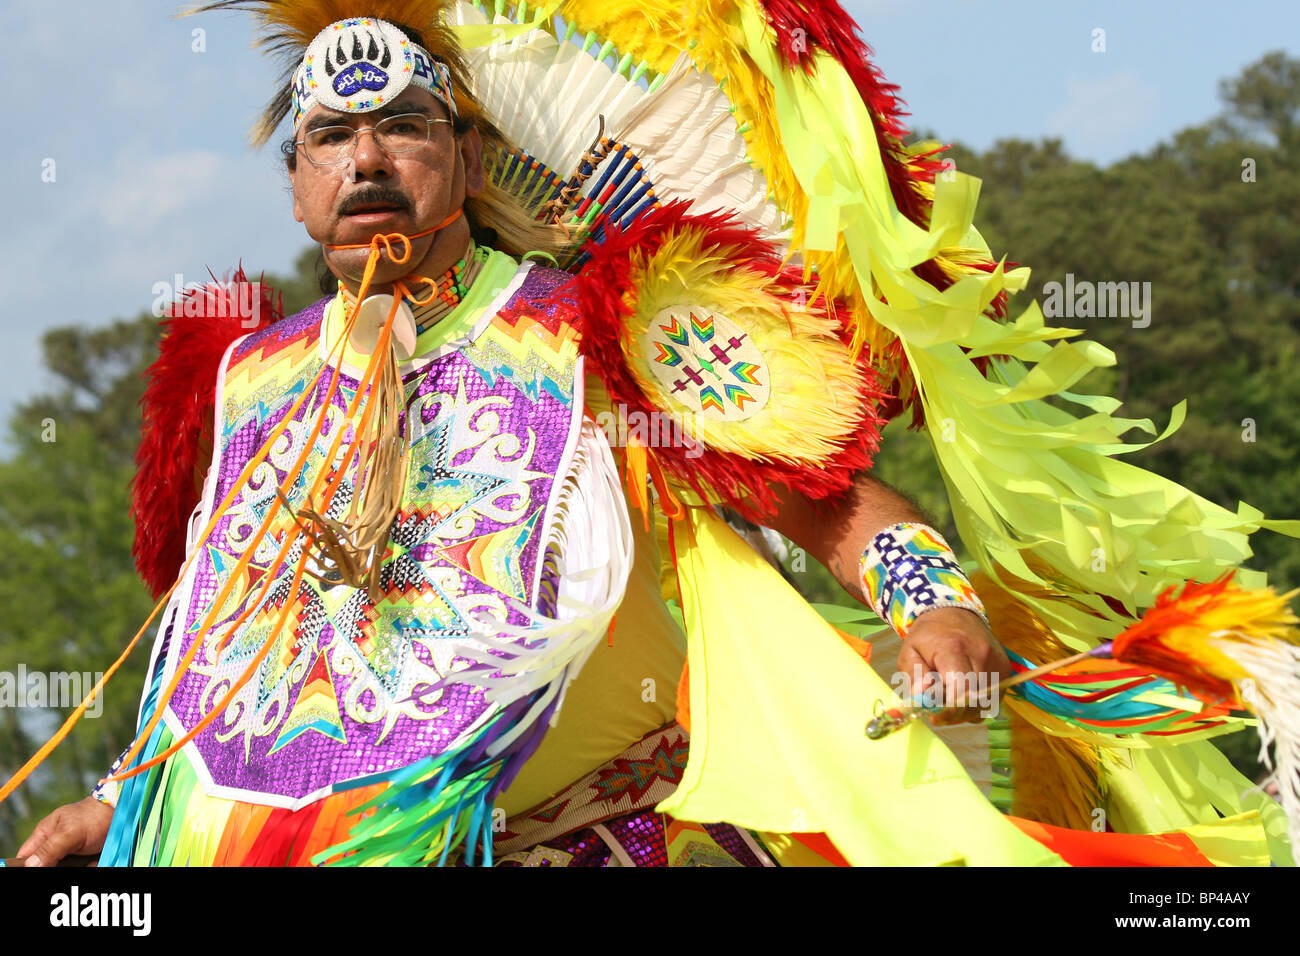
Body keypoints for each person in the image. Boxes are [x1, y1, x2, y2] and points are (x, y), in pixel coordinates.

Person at [11, 1, 1295, 867]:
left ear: (464, 156)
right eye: (331, 137)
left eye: (401, 127)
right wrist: (118, 802)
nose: (366, 163)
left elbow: (836, 508)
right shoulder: (252, 380)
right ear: (295, 186)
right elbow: (238, 644)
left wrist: (933, 604)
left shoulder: (597, 334)